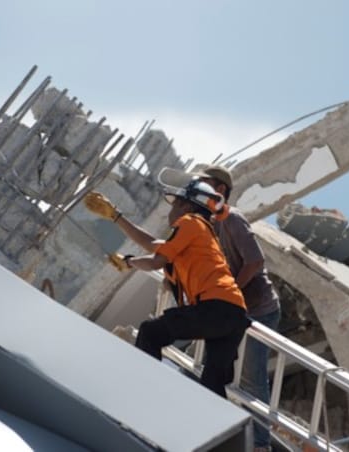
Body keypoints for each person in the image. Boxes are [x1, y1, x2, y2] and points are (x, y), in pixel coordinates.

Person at [84, 179, 251, 398]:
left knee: (150, 332)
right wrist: (128, 258)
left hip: (216, 307)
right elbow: (155, 247)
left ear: (188, 207)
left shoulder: (190, 222)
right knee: (213, 384)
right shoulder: (199, 234)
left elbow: (155, 260)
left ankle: (146, 394)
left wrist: (127, 253)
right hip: (234, 313)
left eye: (175, 204)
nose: (171, 211)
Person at [196, 165, 281, 452]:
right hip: (233, 308)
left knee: (252, 378)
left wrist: (230, 290)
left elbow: (254, 262)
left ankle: (260, 444)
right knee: (215, 365)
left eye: (204, 184)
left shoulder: (232, 220)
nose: (198, 189)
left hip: (259, 309)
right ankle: (214, 425)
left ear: (219, 190)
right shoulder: (209, 222)